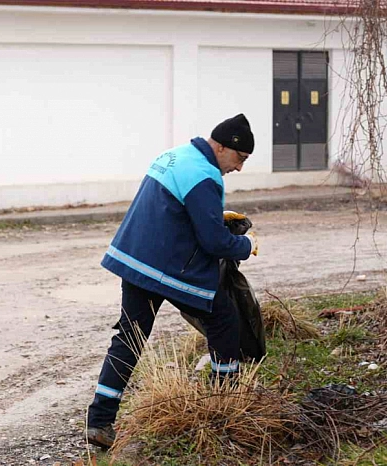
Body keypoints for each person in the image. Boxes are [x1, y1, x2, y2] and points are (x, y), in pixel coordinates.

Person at [85, 114, 260, 449]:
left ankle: (99, 422)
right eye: (240, 158)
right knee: (224, 319)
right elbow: (214, 243)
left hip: (135, 260)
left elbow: (169, 209)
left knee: (130, 337)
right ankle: (224, 405)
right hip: (169, 268)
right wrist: (245, 245)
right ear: (222, 147)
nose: (239, 168)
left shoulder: (174, 156)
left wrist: (212, 217)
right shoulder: (205, 175)